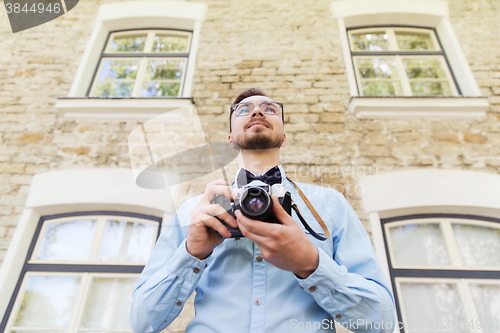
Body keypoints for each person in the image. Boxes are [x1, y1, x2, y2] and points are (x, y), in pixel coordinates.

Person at [129, 88, 396, 333]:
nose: (257, 111)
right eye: (243, 110)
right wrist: (191, 253)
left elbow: (382, 322)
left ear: (284, 137)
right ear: (230, 138)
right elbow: (141, 321)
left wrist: (311, 265)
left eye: (270, 109)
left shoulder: (330, 204)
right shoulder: (195, 211)